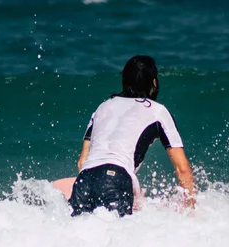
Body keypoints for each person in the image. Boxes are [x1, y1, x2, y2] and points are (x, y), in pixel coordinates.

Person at [69, 55, 196, 217]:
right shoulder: (158, 111)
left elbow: (82, 162)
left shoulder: (102, 107)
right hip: (116, 178)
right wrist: (191, 209)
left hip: (84, 180)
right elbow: (183, 168)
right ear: (154, 82)